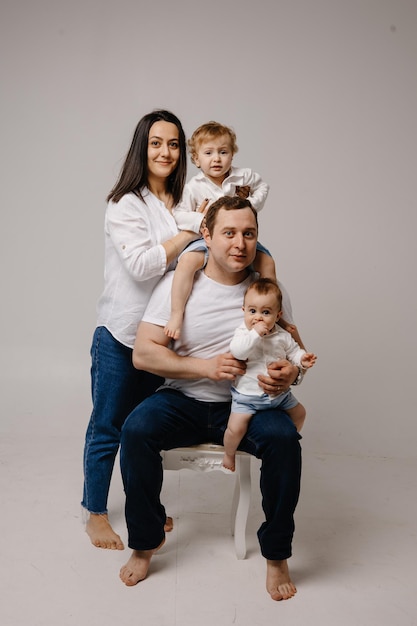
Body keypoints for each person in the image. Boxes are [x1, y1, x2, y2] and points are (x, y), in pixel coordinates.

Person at [119, 195, 303, 601]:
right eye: (229, 233)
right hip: (183, 398)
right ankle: (145, 541)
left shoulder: (269, 291)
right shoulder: (178, 284)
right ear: (206, 235)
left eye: (249, 234)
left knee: (284, 440)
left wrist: (292, 374)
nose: (240, 243)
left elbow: (295, 352)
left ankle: (276, 554)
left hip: (249, 403)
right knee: (135, 430)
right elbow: (144, 353)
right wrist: (205, 368)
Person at [81, 109, 198, 550]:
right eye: (156, 143)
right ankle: (94, 513)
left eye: (172, 144)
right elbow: (143, 265)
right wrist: (185, 238)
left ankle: (145, 509)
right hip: (118, 334)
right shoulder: (124, 203)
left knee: (141, 432)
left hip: (160, 338)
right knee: (107, 427)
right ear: (141, 148)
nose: (165, 151)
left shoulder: (184, 201)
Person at [164, 121, 303, 347]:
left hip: (238, 239)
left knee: (267, 262)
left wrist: (250, 205)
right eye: (208, 153)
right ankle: (176, 313)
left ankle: (275, 315)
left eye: (223, 152)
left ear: (232, 155)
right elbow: (179, 213)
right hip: (204, 240)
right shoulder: (194, 186)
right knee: (187, 262)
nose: (216, 159)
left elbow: (263, 188)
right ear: (197, 159)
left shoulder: (242, 176)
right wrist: (201, 221)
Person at [222, 277, 317, 472]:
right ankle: (228, 454)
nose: (258, 317)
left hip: (278, 396)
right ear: (244, 311)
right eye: (252, 311)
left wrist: (302, 359)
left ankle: (292, 437)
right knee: (235, 429)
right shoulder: (243, 333)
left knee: (300, 413)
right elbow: (238, 352)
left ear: (277, 315)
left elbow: (293, 352)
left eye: (266, 312)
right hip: (247, 396)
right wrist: (255, 334)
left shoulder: (282, 335)